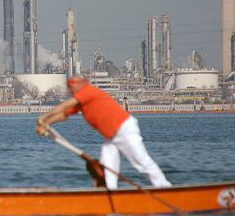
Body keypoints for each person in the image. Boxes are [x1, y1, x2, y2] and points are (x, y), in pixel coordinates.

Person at [35, 75, 171, 190]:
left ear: (79, 84)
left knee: (142, 162)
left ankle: (164, 188)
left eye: (70, 87)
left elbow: (65, 105)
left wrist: (44, 116)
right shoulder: (81, 100)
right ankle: (109, 193)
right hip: (111, 135)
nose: (69, 90)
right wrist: (45, 124)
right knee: (107, 167)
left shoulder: (87, 91)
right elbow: (64, 114)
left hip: (123, 129)